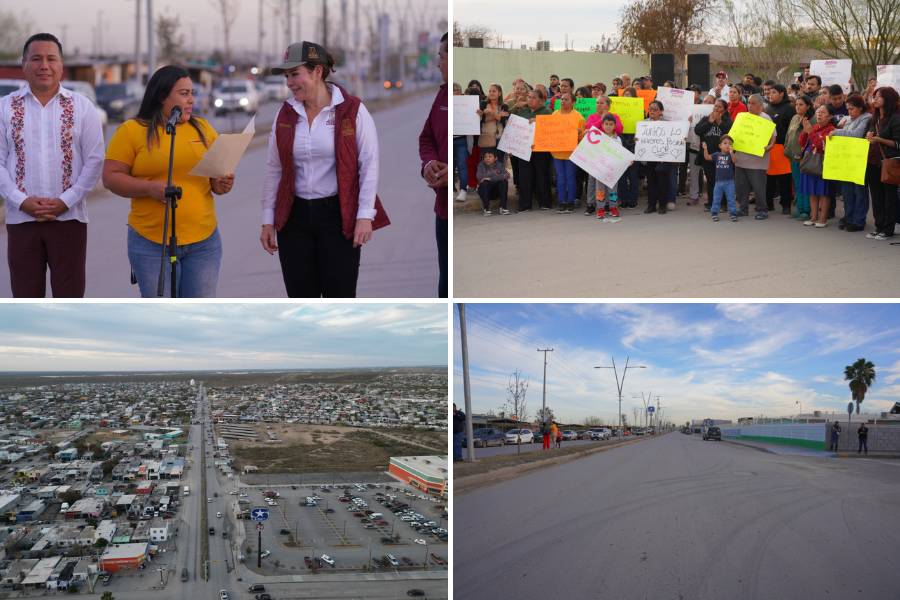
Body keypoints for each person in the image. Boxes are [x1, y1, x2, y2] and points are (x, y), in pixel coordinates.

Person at [259, 41, 388, 297]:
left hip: (338, 217)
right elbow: (274, 168)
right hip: (294, 218)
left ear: (318, 71)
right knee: (300, 298)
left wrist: (365, 216)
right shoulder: (285, 114)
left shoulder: (353, 111)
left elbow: (368, 165)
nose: (289, 82)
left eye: (295, 74)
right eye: (287, 76)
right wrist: (267, 219)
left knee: (339, 297)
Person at [104, 64, 233, 297]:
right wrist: (148, 188)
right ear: (162, 95)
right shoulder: (132, 131)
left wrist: (221, 184)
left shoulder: (202, 128)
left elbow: (215, 180)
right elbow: (110, 178)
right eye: (184, 94)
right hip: (151, 243)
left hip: (203, 242)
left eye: (192, 93)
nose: (191, 99)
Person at [0, 33, 104, 297]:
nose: (43, 65)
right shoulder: (5, 108)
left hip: (69, 219)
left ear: (61, 66)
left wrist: (66, 201)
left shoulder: (82, 107)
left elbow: (94, 160)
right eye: (36, 59)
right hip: (21, 219)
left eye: (50, 59)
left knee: (70, 300)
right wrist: (20, 200)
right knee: (25, 300)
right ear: (23, 64)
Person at [419, 32, 448, 298]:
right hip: (442, 206)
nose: (438, 63)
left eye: (441, 57)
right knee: (445, 280)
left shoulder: (465, 102)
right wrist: (429, 164)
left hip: (454, 205)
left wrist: (454, 172)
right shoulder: (440, 97)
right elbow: (426, 138)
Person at [829, 94, 872, 232]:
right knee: (847, 191)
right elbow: (847, 131)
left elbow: (857, 134)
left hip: (859, 159)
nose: (849, 112)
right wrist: (842, 129)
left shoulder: (867, 118)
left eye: (852, 109)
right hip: (847, 159)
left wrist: (837, 131)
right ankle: (848, 217)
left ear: (860, 108)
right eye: (848, 109)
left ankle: (859, 220)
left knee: (859, 191)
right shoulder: (849, 119)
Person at [864, 86, 900, 240]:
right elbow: (870, 137)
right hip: (873, 162)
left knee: (889, 196)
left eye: (879, 96)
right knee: (876, 196)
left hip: (888, 162)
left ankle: (888, 229)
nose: (875, 99)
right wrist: (869, 136)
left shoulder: (896, 118)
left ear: (888, 99)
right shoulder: (875, 117)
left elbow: (898, 144)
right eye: (874, 96)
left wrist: (879, 139)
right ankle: (879, 226)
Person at [734, 94, 774, 219]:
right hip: (741, 158)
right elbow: (735, 134)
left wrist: (771, 145)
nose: (749, 105)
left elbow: (773, 136)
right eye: (749, 103)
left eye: (752, 103)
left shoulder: (765, 118)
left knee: (758, 187)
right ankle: (743, 208)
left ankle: (762, 210)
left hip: (757, 161)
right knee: (741, 186)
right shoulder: (742, 117)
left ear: (760, 106)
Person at [515, 88, 553, 211]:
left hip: (541, 150)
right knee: (524, 177)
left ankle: (545, 203)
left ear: (541, 100)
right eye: (529, 97)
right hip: (524, 149)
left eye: (534, 97)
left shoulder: (547, 112)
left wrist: (538, 121)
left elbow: (551, 126)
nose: (530, 100)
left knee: (542, 175)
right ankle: (525, 205)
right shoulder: (522, 112)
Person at [798, 105, 836, 228]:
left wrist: (810, 132)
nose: (819, 114)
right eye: (818, 112)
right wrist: (805, 131)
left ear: (830, 116)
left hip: (822, 163)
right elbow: (802, 143)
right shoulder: (814, 127)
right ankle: (813, 217)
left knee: (823, 192)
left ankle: (823, 218)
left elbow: (820, 146)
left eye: (823, 112)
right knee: (812, 191)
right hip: (810, 162)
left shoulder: (831, 129)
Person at [637, 100, 678, 215]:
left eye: (655, 109)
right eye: (650, 109)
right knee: (651, 182)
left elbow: (673, 140)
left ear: (661, 111)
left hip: (663, 159)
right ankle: (651, 205)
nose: (652, 111)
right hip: (649, 158)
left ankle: (662, 205)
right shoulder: (643, 124)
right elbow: (640, 141)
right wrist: (638, 140)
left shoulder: (668, 125)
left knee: (662, 182)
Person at [694, 99, 732, 213]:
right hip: (708, 156)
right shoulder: (706, 119)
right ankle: (711, 203)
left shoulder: (727, 121)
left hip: (722, 157)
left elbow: (729, 133)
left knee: (722, 180)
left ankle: (723, 204)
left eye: (719, 107)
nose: (716, 109)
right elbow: (697, 130)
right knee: (711, 180)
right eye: (715, 106)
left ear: (724, 110)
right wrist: (709, 122)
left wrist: (719, 122)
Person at [550, 91, 586, 213]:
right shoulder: (554, 114)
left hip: (571, 153)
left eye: (566, 99)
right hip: (557, 153)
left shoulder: (579, 117)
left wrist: (578, 133)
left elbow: (582, 138)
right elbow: (549, 132)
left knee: (570, 178)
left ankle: (570, 201)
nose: (563, 101)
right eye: (562, 99)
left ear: (573, 102)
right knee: (560, 178)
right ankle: (561, 202)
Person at [764, 84, 796, 215]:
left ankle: (786, 204)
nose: (770, 95)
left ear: (782, 93)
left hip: (782, 147)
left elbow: (791, 130)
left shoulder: (789, 109)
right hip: (769, 148)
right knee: (769, 179)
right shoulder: (768, 108)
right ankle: (768, 203)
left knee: (784, 179)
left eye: (773, 92)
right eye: (769, 93)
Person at [586, 114, 624, 221]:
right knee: (600, 191)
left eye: (611, 124)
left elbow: (621, 154)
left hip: (612, 171)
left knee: (613, 191)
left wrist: (627, 161)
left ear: (614, 126)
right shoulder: (597, 137)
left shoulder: (618, 139)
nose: (608, 126)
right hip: (600, 170)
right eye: (606, 124)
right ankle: (600, 208)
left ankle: (613, 207)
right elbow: (592, 151)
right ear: (602, 125)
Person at [784, 95, 814, 220]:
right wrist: (786, 148)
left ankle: (806, 211)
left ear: (808, 106)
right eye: (796, 104)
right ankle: (799, 208)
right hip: (793, 157)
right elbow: (788, 135)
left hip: (804, 158)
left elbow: (812, 138)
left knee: (804, 184)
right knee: (797, 184)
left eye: (801, 104)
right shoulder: (795, 118)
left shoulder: (811, 120)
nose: (798, 107)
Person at [702, 135, 738, 221]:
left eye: (729, 144)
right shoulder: (716, 155)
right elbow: (707, 157)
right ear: (720, 146)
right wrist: (705, 149)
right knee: (716, 199)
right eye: (725, 143)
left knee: (731, 199)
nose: (727, 145)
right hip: (718, 182)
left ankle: (733, 214)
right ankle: (714, 213)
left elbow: (735, 161)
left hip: (729, 182)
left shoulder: (730, 155)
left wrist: (732, 152)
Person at [477, 84, 509, 163]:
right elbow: (482, 120)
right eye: (490, 91)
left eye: (494, 91)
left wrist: (491, 112)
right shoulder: (483, 104)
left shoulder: (504, 106)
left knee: (499, 163)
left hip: (500, 138)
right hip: (486, 137)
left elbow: (503, 120)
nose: (491, 93)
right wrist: (497, 115)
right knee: (487, 163)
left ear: (499, 93)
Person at [476, 149, 509, 216]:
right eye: (485, 157)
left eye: (490, 156)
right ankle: (486, 208)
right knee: (485, 182)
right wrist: (498, 175)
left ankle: (503, 207)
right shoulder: (481, 165)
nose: (487, 159)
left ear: (495, 158)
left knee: (504, 182)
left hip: (496, 191)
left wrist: (491, 178)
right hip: (484, 191)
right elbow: (479, 176)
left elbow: (507, 175)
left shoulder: (499, 165)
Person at [452, 83, 470, 203]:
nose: (454, 93)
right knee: (450, 166)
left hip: (461, 140)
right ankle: (452, 189)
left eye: (456, 91)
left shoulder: (467, 104)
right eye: (452, 91)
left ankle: (463, 190)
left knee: (462, 165)